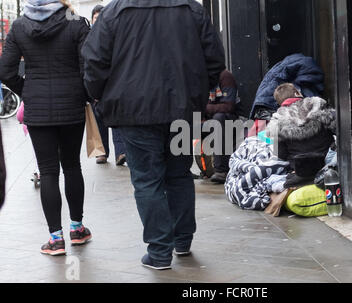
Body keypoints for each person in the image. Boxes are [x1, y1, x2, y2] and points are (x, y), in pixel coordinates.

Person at [82, 0, 225, 270]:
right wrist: (198, 91)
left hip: (134, 110)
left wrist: (99, 95)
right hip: (182, 107)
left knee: (148, 181)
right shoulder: (191, 9)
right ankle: (182, 241)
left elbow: (94, 61)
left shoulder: (114, 12)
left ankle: (159, 252)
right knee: (179, 174)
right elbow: (215, 59)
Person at [0, 0, 92, 256]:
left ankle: (55, 239)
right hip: (72, 106)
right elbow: (90, 66)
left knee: (48, 171)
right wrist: (82, 93)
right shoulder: (75, 22)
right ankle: (77, 229)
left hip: (38, 110)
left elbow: (5, 71)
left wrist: (28, 91)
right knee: (72, 165)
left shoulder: (19, 26)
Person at [266, 83, 336, 171]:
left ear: (280, 103)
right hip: (328, 161)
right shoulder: (317, 105)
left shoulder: (276, 122)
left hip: (300, 169)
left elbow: (280, 155)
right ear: (297, 93)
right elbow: (339, 128)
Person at [90, 4, 127, 166]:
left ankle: (121, 152)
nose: (98, 21)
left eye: (100, 17)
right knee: (98, 119)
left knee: (116, 118)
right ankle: (102, 152)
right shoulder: (88, 36)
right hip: (97, 85)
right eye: (95, 18)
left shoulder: (114, 35)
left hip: (114, 85)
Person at [204, 69, 239, 184]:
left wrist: (204, 108)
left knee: (218, 119)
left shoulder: (225, 76)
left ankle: (221, 170)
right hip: (211, 118)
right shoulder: (199, 79)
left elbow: (229, 107)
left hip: (234, 119)